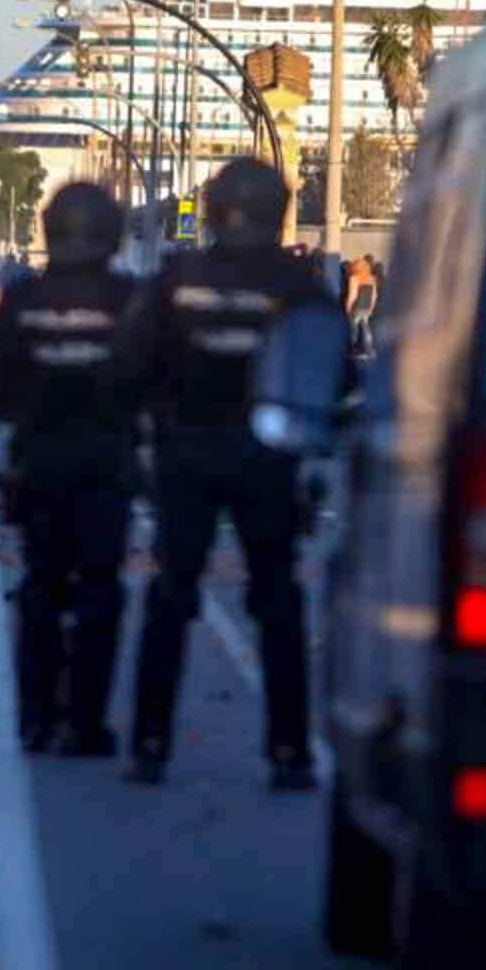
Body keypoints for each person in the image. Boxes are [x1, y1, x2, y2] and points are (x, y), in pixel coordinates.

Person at [118, 156, 334, 791]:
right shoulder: (299, 286)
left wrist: (141, 435)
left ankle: (151, 747)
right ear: (277, 211)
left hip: (185, 456)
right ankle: (290, 753)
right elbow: (333, 375)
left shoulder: (176, 280)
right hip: (270, 459)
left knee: (171, 596)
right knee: (278, 602)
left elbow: (128, 366)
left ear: (211, 209)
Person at [0, 183, 140, 757]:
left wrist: (4, 463)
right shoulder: (130, 299)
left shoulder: (24, 300)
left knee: (40, 590)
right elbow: (155, 381)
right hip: (107, 465)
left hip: (40, 462)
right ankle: (86, 722)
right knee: (100, 590)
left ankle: (35, 717)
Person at [345, 254, 379, 356]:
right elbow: (374, 295)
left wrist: (348, 306)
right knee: (365, 328)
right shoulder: (371, 279)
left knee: (353, 329)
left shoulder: (354, 278)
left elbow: (353, 294)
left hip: (356, 306)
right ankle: (369, 349)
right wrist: (372, 307)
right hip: (366, 306)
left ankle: (352, 350)